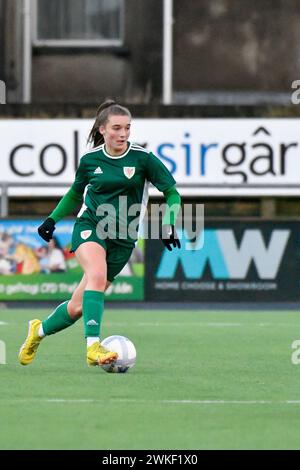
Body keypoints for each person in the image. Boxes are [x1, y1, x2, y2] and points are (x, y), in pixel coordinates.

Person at [18, 100, 181, 367]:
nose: (123, 134)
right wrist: (53, 219)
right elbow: (74, 194)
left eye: (127, 128)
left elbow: (172, 193)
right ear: (102, 130)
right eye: (116, 128)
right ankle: (93, 346)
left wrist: (170, 222)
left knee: (77, 307)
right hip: (90, 226)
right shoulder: (90, 160)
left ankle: (38, 331)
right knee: (96, 274)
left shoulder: (143, 159)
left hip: (124, 238)